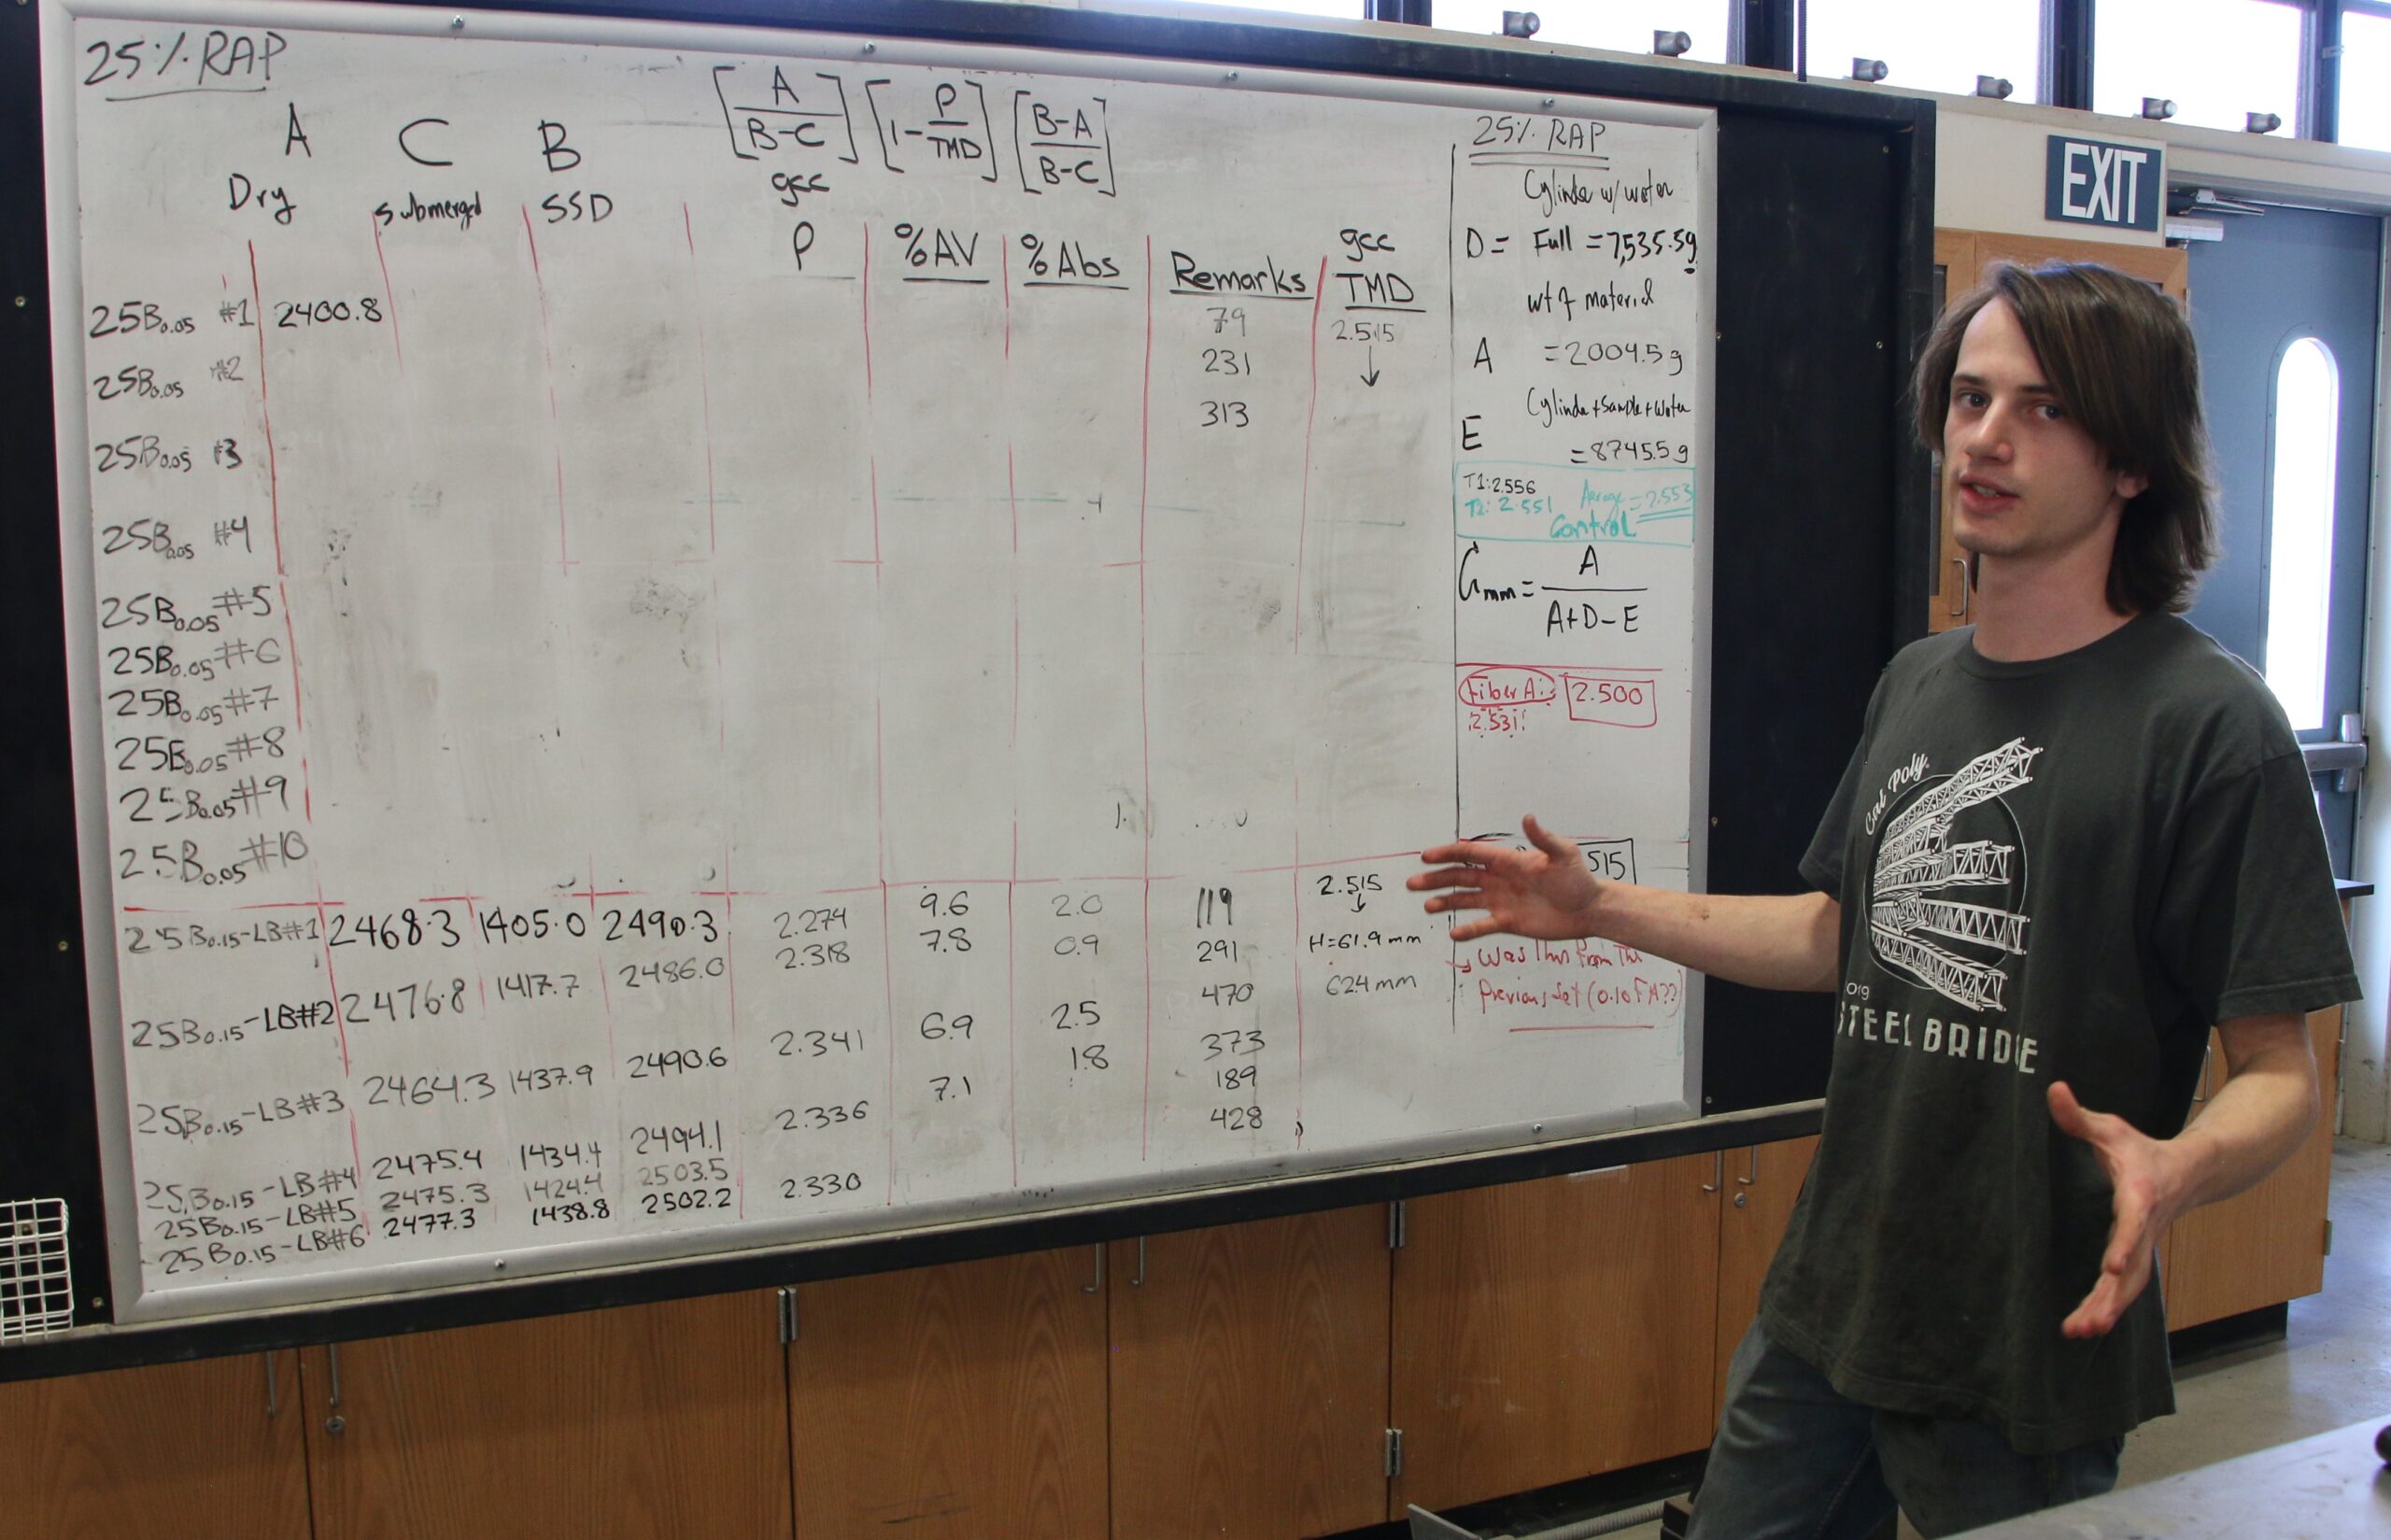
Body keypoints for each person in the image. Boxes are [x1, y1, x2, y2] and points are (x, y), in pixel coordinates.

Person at [1408, 261, 2358, 1538]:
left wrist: (2185, 1163)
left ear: (2134, 461)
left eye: (2046, 408)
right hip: (1835, 1295)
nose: (1988, 436)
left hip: (2024, 1331)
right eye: (1970, 398)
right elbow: (1841, 938)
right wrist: (1601, 909)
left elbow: (2281, 1070)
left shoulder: (2210, 725)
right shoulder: (1919, 683)